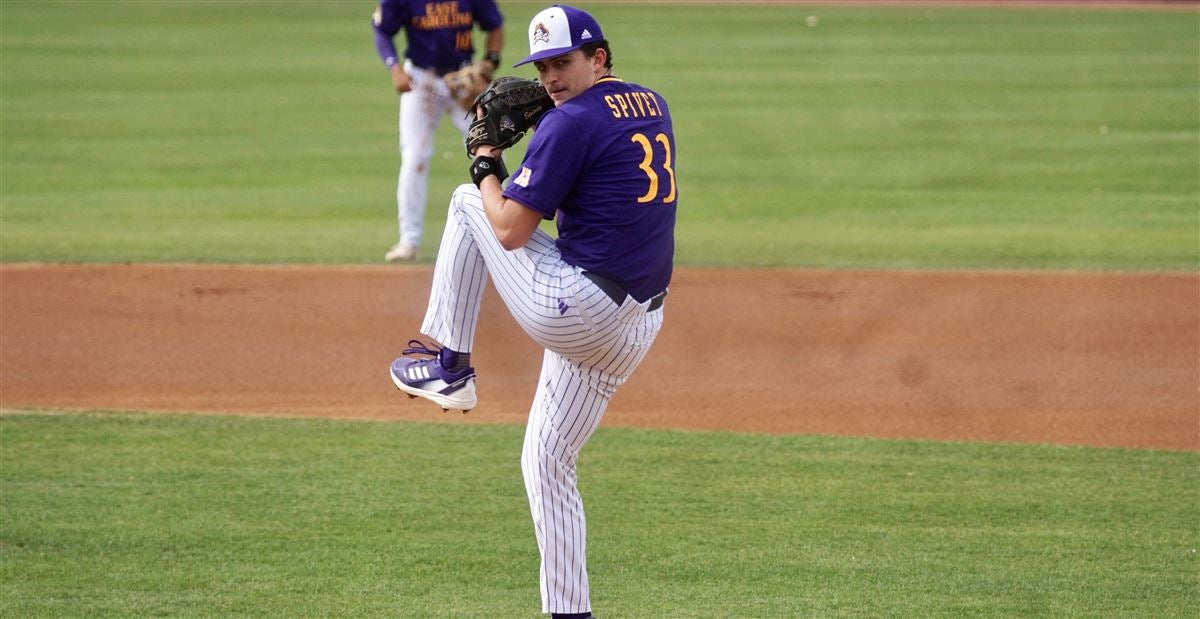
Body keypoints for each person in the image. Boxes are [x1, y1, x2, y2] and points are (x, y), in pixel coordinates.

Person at [388, 5, 677, 617]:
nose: (550, 78)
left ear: (598, 58)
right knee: (546, 460)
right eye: (543, 66)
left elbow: (511, 229)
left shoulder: (567, 125)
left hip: (578, 310)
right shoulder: (652, 102)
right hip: (638, 325)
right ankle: (569, 611)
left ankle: (448, 361)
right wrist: (551, 120)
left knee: (470, 201)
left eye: (563, 62)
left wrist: (487, 160)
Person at [372, 0, 505, 262]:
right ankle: (409, 241)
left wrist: (490, 62)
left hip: (464, 80)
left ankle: (505, 231)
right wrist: (394, 68)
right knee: (415, 156)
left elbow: (495, 25)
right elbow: (382, 29)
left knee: (492, 150)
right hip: (420, 81)